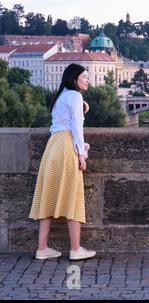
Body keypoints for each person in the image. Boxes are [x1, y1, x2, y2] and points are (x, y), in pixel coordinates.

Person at [29, 63, 96, 261]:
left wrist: (83, 107)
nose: (87, 80)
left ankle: (42, 248)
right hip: (67, 146)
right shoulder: (75, 96)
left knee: (48, 196)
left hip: (53, 147)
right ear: (74, 79)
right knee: (73, 196)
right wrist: (81, 156)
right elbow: (76, 129)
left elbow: (65, 119)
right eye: (84, 77)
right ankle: (75, 249)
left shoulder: (60, 97)